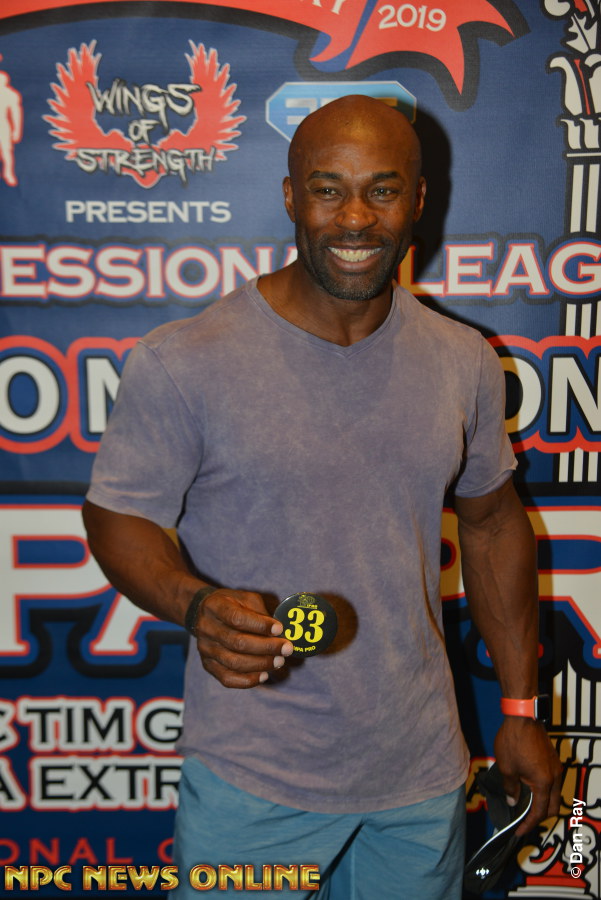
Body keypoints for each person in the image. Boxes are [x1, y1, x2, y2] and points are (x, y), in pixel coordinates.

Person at [83, 95, 562, 899]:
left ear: (417, 199)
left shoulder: (463, 360)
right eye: (327, 189)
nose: (355, 218)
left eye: (382, 190)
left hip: (418, 778)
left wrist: (518, 707)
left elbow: (490, 527)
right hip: (253, 780)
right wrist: (194, 604)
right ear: (289, 197)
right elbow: (117, 515)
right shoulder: (185, 359)